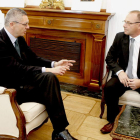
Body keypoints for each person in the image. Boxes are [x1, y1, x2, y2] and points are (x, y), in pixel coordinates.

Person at [0, 8, 77, 140]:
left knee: (50, 79)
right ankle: (59, 131)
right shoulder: (0, 43)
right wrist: (47, 70)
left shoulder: (19, 39)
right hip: (11, 90)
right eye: (25, 24)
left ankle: (59, 131)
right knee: (49, 78)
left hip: (23, 83)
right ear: (12, 24)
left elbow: (33, 58)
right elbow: (18, 68)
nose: (28, 27)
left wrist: (54, 64)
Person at [100, 10, 140, 134]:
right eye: (124, 22)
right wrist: (120, 72)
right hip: (124, 77)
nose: (124, 25)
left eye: (128, 23)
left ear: (139, 25)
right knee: (110, 87)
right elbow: (109, 58)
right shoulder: (120, 37)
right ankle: (112, 120)